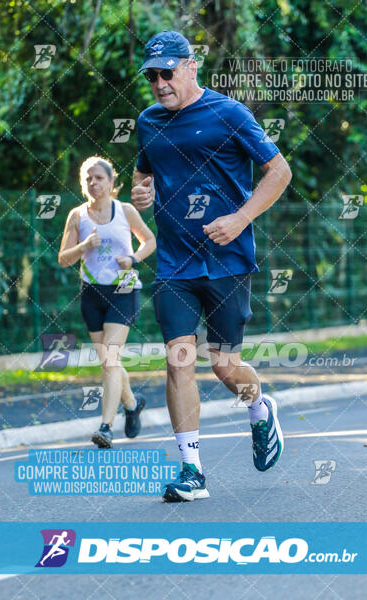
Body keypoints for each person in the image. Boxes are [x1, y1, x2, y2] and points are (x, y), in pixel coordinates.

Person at [131, 31, 292, 502]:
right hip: (174, 264)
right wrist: (143, 193)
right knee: (178, 360)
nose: (160, 82)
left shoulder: (229, 113)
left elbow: (279, 171)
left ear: (191, 65)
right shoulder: (148, 122)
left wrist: (241, 218)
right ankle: (192, 470)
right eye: (153, 75)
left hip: (227, 261)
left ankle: (260, 408)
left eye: (168, 72)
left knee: (224, 366)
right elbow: (145, 176)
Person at [59, 156, 156, 448]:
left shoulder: (125, 211)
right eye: (88, 178)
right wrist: (84, 245)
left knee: (110, 361)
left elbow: (150, 241)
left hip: (124, 289)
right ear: (82, 183)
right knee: (108, 363)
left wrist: (133, 258)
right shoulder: (77, 216)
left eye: (99, 178)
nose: (93, 183)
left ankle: (106, 427)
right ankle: (131, 403)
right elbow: (64, 259)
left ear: (112, 182)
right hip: (92, 293)